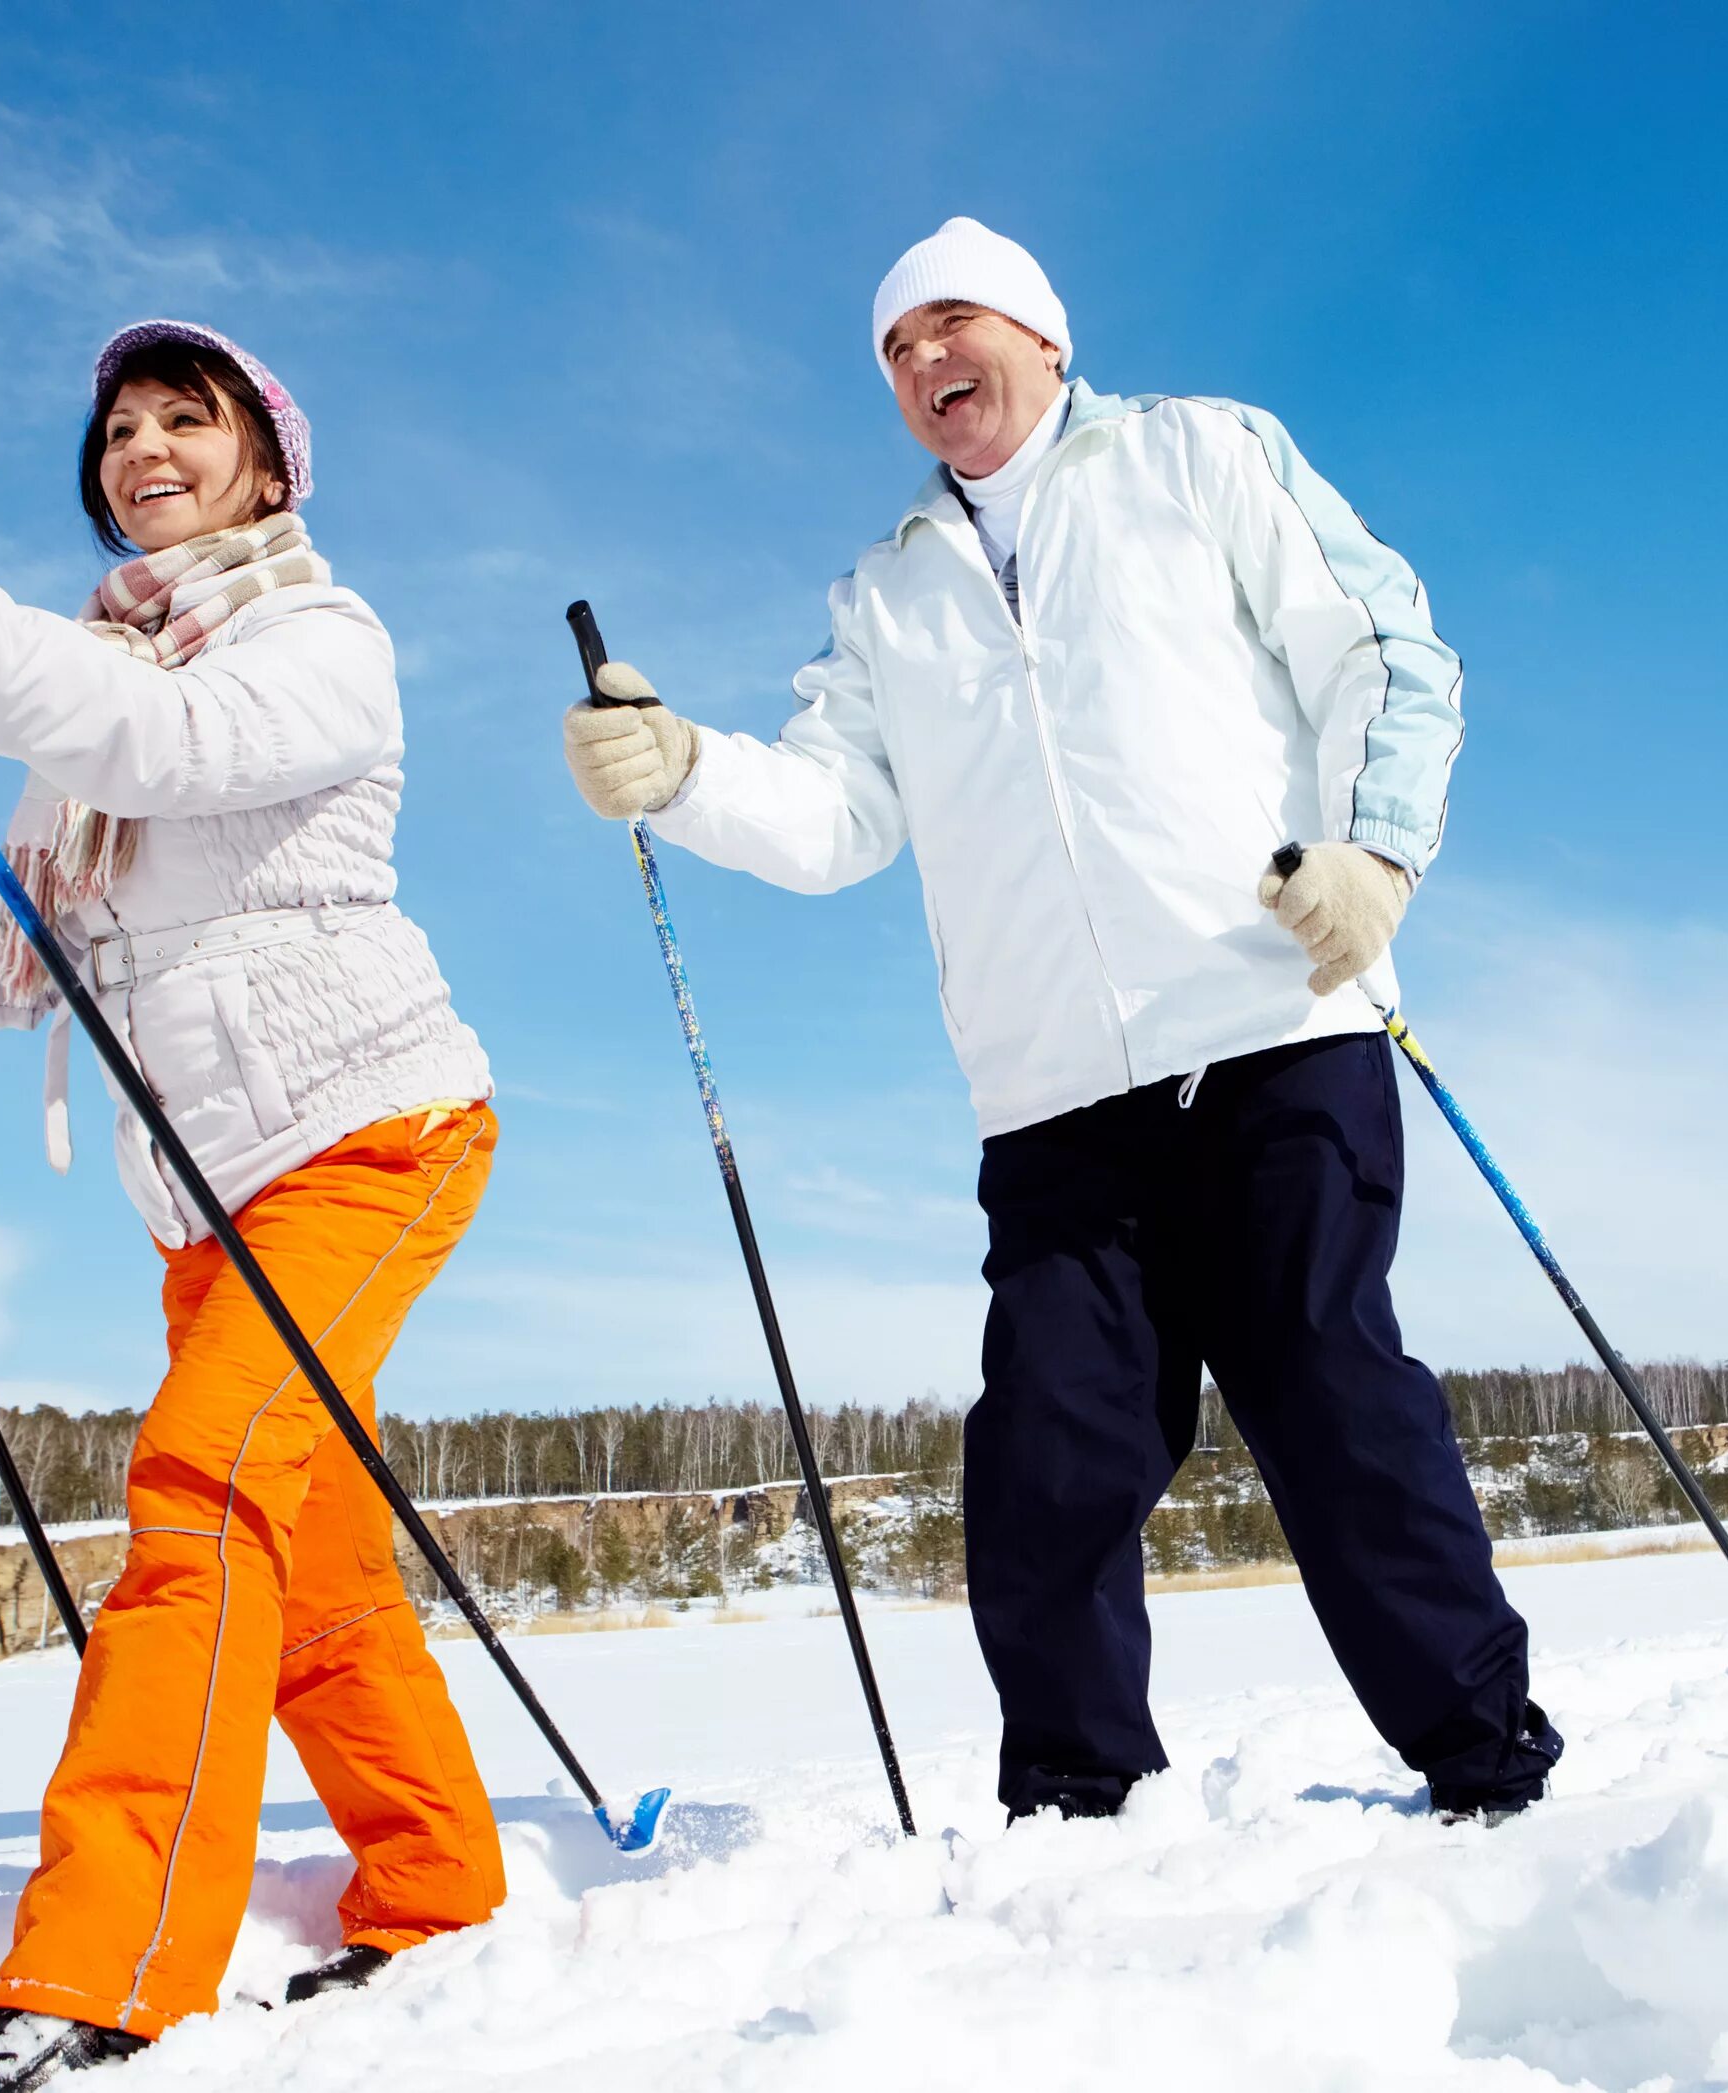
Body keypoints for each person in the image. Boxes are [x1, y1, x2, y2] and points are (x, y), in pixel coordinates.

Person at [562, 218, 1563, 1826]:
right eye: (894, 350)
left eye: (952, 324)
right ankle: (1078, 1803)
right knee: (1047, 1448)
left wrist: (1376, 855)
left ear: (1041, 333)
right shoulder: (889, 591)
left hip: (1273, 1024)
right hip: (1052, 1096)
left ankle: (1483, 1758)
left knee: (1331, 1396)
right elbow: (834, 817)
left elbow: (1384, 648)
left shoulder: (1197, 458)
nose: (924, 364)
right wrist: (683, 769)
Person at [0, 320, 505, 2084]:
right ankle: (441, 1887)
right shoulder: (83, 695)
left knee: (200, 1483)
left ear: (267, 466)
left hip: (373, 1128)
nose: (142, 446)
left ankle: (105, 1961)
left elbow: (161, 741)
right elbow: (17, 960)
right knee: (310, 1565)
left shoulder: (318, 641)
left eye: (185, 420)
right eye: (120, 427)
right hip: (210, 1205)